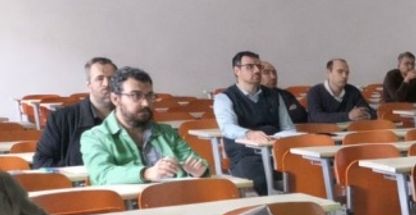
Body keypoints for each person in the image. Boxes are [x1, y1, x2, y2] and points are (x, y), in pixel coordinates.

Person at [81, 67, 209, 185]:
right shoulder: (94, 137)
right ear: (116, 99)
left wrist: (199, 171)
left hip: (173, 197)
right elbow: (102, 175)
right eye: (135, 96)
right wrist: (146, 173)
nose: (145, 103)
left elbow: (196, 162)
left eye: (149, 96)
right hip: (126, 202)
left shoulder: (166, 132)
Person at [213, 50, 296, 195]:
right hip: (246, 155)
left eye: (259, 66)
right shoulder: (224, 98)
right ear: (237, 70)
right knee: (260, 180)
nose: (257, 70)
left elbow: (288, 128)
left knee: (305, 172)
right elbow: (227, 127)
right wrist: (249, 133)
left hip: (275, 152)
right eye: (250, 67)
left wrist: (280, 138)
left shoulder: (274, 96)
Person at [33, 57, 116, 168]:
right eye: (99, 78)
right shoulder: (60, 119)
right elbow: (41, 162)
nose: (107, 83)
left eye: (111, 78)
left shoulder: (129, 117)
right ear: (89, 84)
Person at [305, 59, 373, 124]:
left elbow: (370, 111)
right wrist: (348, 116)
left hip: (349, 130)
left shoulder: (353, 91)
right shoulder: (315, 92)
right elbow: (316, 117)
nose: (344, 76)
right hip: (320, 131)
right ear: (328, 73)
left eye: (347, 73)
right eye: (340, 71)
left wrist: (366, 115)